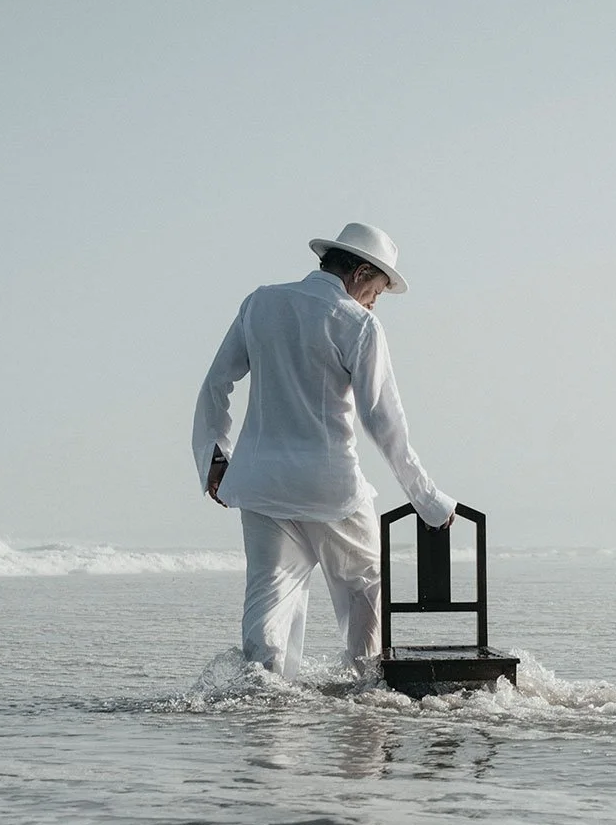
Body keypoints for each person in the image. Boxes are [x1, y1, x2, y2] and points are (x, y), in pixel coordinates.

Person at [191, 222, 455, 682]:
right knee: (365, 587)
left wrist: (215, 456)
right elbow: (384, 422)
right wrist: (428, 501)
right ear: (357, 273)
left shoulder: (260, 303)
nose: (376, 300)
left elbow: (216, 383)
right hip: (330, 489)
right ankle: (367, 687)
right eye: (378, 288)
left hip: (261, 486)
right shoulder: (357, 323)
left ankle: (264, 704)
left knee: (267, 603)